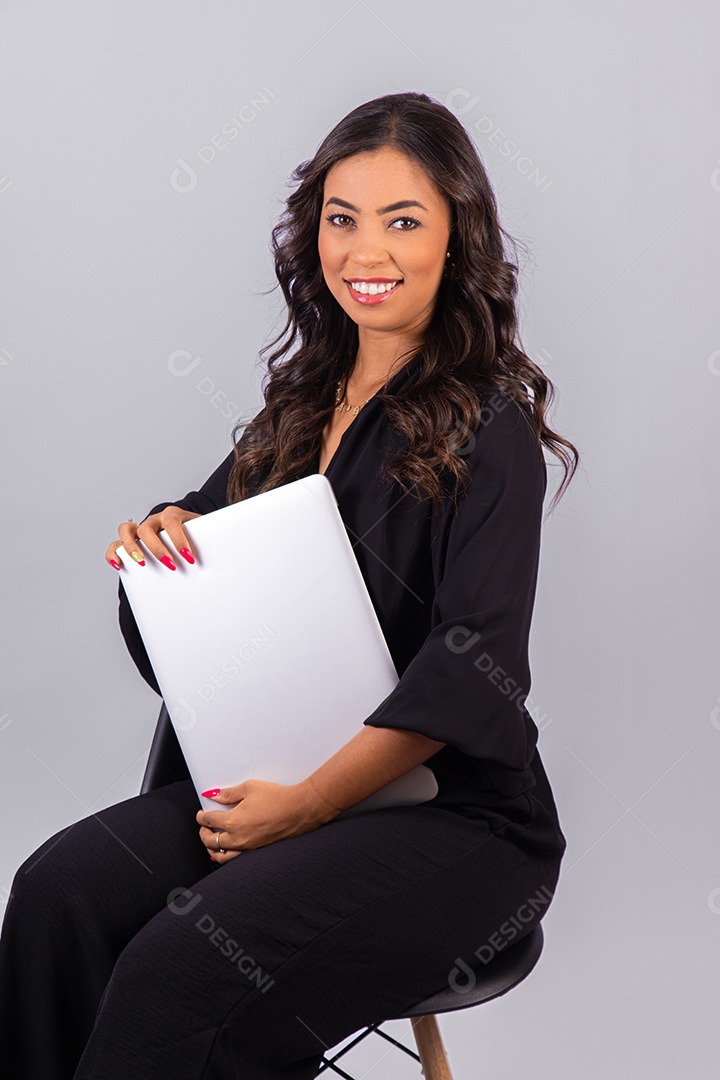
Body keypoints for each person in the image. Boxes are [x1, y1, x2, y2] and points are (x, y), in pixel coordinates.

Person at [0, 91, 579, 1079]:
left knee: (181, 969)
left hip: (458, 817)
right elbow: (200, 610)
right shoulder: (297, 412)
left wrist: (309, 807)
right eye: (341, 219)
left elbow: (472, 671)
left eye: (403, 222)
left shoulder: (495, 432)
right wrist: (164, 546)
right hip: (287, 774)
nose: (367, 251)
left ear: (456, 238)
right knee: (57, 891)